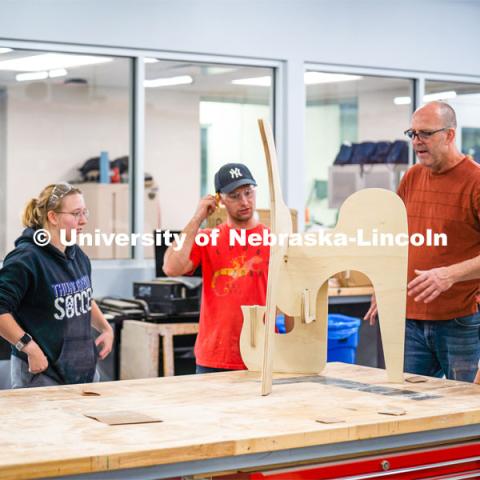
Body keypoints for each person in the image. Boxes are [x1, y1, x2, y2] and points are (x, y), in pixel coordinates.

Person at [364, 101, 480, 382]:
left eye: (425, 134)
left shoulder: (475, 181)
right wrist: (383, 283)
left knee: (464, 411)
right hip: (409, 319)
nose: (417, 142)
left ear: (450, 135)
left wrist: (449, 275)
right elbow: (397, 236)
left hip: (460, 321)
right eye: (413, 134)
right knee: (403, 404)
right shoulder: (413, 176)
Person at [0, 182, 113, 388]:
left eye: (85, 212)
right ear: (53, 217)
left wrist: (106, 328)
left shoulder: (78, 255)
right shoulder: (25, 259)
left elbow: (83, 296)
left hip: (83, 373)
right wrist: (29, 347)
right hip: (41, 376)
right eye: (76, 213)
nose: (84, 220)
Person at [163, 163, 270, 373]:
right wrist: (197, 218)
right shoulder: (208, 238)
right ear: (220, 199)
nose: (245, 202)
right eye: (235, 196)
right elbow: (171, 267)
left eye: (248, 193)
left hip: (262, 353)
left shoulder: (273, 240)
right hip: (215, 356)